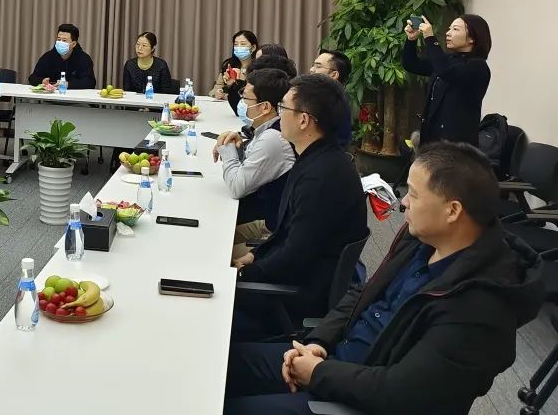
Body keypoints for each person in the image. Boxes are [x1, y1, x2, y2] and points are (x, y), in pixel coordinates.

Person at [224, 140, 544, 415]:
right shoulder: (421, 239)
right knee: (223, 363)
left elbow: (400, 393)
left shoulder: (480, 310)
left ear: (452, 211)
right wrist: (318, 342)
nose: (403, 202)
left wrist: (318, 373)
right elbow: (361, 294)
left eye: (414, 194)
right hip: (334, 362)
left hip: (359, 399)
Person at [233, 74, 368, 337]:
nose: (278, 114)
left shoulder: (320, 178)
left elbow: (294, 255)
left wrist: (245, 274)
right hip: (298, 280)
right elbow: (288, 234)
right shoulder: (318, 159)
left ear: (304, 120)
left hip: (294, 297)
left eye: (283, 107)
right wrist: (253, 256)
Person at [212, 69, 295, 260]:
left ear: (264, 107)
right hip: (264, 213)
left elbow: (237, 187)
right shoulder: (267, 129)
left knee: (213, 243)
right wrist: (238, 146)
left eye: (245, 98)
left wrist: (227, 149)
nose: (242, 103)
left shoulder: (273, 138)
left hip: (270, 226)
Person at [402, 15, 491, 147]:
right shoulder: (449, 60)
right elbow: (411, 64)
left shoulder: (478, 67)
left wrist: (430, 38)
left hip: (456, 146)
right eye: (449, 28)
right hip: (431, 140)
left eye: (455, 29)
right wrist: (411, 40)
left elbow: (446, 71)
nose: (448, 33)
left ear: (472, 38)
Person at [28, 23, 96, 89]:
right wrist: (42, 81)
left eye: (64, 40)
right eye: (59, 39)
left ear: (73, 44)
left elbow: (90, 82)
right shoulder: (47, 57)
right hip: (52, 95)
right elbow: (32, 78)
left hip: (73, 96)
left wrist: (68, 84)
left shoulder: (84, 59)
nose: (60, 42)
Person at [309, 49, 352, 148]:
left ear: (334, 74)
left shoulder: (332, 101)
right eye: (313, 65)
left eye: (318, 66)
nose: (311, 69)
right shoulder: (321, 96)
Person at [211, 30, 257, 99]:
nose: (238, 47)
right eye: (236, 44)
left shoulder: (258, 67)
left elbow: (258, 94)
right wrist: (219, 92)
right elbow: (215, 89)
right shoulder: (228, 65)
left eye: (243, 44)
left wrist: (242, 80)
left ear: (253, 47)